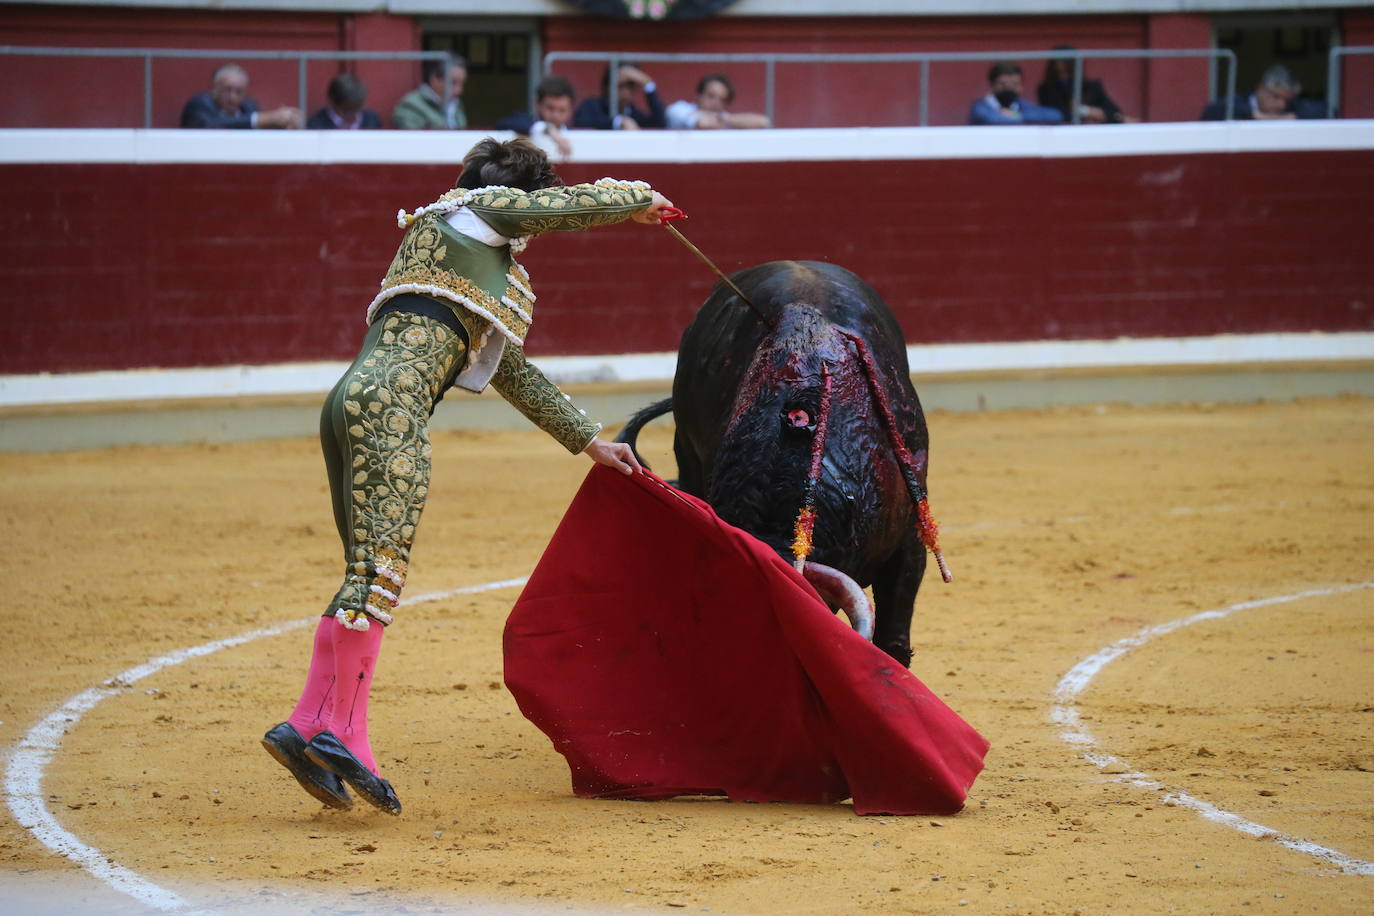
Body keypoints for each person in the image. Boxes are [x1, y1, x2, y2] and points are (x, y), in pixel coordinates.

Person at [260, 137, 674, 815]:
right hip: (392, 412)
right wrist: (639, 199)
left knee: (365, 575)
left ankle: (308, 722)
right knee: (381, 578)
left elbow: (508, 370)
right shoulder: (484, 208)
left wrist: (589, 441)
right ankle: (349, 735)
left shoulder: (449, 234)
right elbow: (572, 206)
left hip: (348, 402)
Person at [180, 63, 301, 129]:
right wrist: (261, 119)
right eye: (227, 90)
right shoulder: (198, 105)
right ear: (214, 89)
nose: (232, 97)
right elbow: (211, 125)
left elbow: (259, 133)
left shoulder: (249, 107)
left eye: (239, 92)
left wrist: (282, 124)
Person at [1200, 64, 1327, 121]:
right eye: (1276, 97)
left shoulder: (1292, 106)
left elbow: (1325, 110)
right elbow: (1211, 112)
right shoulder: (1240, 101)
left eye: (1286, 100)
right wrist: (1253, 115)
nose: (1282, 105)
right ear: (1261, 89)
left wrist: (1292, 117)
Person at [1037, 47, 1127, 124]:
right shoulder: (1047, 90)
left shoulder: (1091, 87)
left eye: (1064, 62)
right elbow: (1058, 115)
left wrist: (1085, 111)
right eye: (1057, 62)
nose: (1059, 66)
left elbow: (1114, 113)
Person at [495, 74, 577, 158]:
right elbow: (504, 123)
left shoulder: (577, 133)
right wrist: (547, 128)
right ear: (537, 105)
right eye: (550, 108)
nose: (555, 115)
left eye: (562, 110)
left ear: (570, 110)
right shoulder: (526, 123)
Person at [968, 61, 1064, 126]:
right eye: (1003, 84)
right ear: (992, 86)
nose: (1009, 88)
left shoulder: (1022, 105)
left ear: (1021, 87)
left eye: (1014, 84)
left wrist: (1016, 115)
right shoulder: (980, 106)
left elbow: (1056, 115)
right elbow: (990, 119)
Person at [573, 63, 666, 130]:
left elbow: (660, 123)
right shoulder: (592, 106)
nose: (626, 92)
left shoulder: (633, 113)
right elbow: (581, 123)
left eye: (630, 87)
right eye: (620, 86)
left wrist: (647, 83)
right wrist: (618, 122)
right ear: (608, 87)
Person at [665, 73, 771, 130]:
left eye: (722, 100)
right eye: (711, 96)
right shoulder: (679, 109)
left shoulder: (722, 117)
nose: (716, 103)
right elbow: (702, 124)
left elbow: (763, 122)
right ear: (699, 95)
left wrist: (723, 118)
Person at [392, 55, 467, 130]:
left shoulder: (455, 103)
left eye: (462, 83)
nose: (459, 90)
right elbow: (415, 139)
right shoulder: (410, 106)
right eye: (453, 82)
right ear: (434, 79)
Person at [306, 73, 382, 130]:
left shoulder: (371, 120)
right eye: (346, 111)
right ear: (332, 102)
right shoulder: (317, 125)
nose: (353, 116)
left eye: (357, 110)